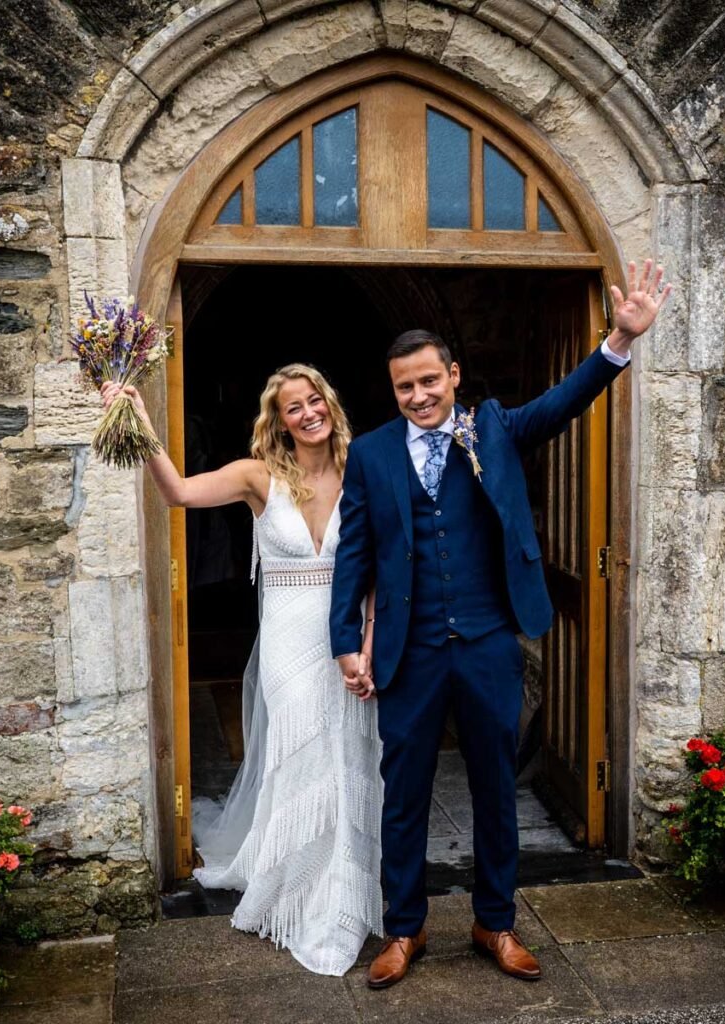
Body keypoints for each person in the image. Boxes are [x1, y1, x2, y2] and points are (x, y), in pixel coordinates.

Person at [329, 259, 672, 988]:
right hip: (409, 652)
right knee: (406, 795)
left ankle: (495, 922)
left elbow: (561, 404)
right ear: (393, 393)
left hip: (487, 643)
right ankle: (404, 930)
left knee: (494, 788)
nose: (418, 395)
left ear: (452, 376)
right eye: (404, 387)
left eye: (428, 380)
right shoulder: (370, 455)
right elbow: (354, 555)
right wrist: (343, 646)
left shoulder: (494, 429)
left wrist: (618, 341)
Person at [101, 364, 382, 976]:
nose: (308, 413)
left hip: (346, 639)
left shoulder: (363, 469)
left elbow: (379, 566)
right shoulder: (258, 477)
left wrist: (369, 640)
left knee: (346, 757)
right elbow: (176, 492)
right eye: (293, 407)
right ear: (277, 420)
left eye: (315, 401)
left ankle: (339, 896)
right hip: (286, 641)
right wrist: (139, 416)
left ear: (329, 404)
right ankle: (292, 886)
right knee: (300, 753)